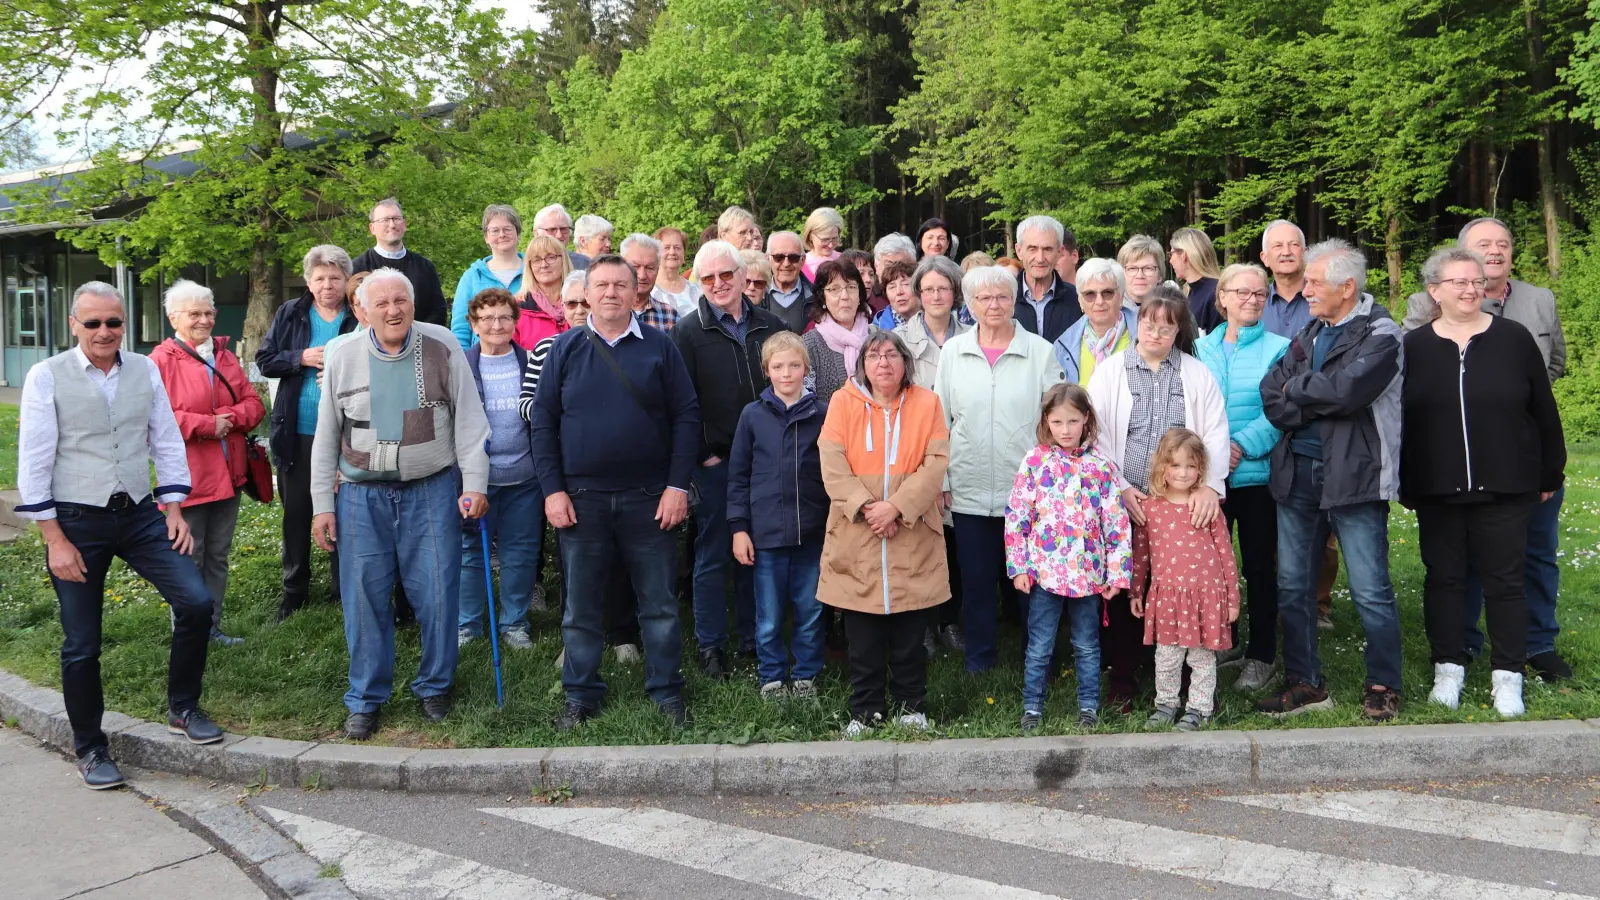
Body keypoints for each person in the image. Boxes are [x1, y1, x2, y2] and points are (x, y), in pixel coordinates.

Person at [17, 281, 226, 789]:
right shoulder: (47, 376)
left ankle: (183, 707)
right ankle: (90, 747)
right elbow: (34, 459)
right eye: (93, 323)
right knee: (82, 642)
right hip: (75, 521)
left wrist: (173, 507)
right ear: (74, 326)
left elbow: (166, 438)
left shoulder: (145, 369)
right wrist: (53, 538)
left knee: (196, 603)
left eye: (113, 322)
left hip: (137, 514)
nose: (105, 331)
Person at [310, 269, 489, 739]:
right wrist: (320, 505)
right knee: (364, 598)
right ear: (362, 310)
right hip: (360, 496)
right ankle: (366, 697)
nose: (393, 310)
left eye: (401, 300)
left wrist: (476, 484)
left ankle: (435, 686)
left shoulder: (443, 344)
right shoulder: (342, 354)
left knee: (437, 592)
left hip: (431, 489)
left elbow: (470, 421)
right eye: (382, 302)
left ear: (413, 303)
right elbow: (327, 435)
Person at [531, 255, 700, 730]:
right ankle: (580, 696)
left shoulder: (660, 348)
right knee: (581, 608)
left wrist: (676, 486)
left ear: (634, 291)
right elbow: (543, 423)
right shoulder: (564, 349)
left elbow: (687, 417)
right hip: (581, 500)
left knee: (660, 605)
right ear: (586, 293)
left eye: (619, 285)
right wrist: (553, 491)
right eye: (601, 285)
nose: (610, 293)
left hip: (650, 497)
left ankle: (667, 693)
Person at [1402, 217, 1571, 681]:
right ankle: (1449, 669)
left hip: (1508, 480)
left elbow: (1543, 409)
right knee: (1446, 578)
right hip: (1439, 484)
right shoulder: (1412, 346)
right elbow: (1405, 420)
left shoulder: (1513, 337)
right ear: (1434, 290)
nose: (1470, 289)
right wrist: (1408, 479)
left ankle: (1510, 673)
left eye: (1476, 282)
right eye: (1459, 282)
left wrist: (1549, 475)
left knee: (1507, 578)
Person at [1259, 239, 1405, 721]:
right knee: (1293, 584)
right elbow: (1269, 392)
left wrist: (1299, 390)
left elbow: (1348, 392)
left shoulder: (1382, 332)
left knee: (1369, 588)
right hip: (1297, 473)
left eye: (1315, 283)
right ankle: (1305, 682)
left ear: (1348, 287)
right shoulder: (1310, 329)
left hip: (1354, 477)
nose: (1305, 290)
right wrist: (1306, 397)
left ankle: (1383, 683)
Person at [1084, 292, 1229, 709]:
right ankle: (1124, 680)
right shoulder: (1111, 372)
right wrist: (1122, 489)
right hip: (1128, 499)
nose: (1156, 333)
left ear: (1178, 330)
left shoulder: (1196, 374)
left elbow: (1215, 432)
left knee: (1183, 588)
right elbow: (1098, 437)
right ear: (1136, 324)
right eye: (1149, 324)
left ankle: (1190, 685)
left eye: (1167, 326)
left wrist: (1207, 487)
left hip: (1183, 505)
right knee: (1130, 585)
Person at [817, 331, 950, 735]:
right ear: (863, 365)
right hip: (858, 533)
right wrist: (868, 508)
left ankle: (912, 706)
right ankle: (865, 710)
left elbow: (936, 461)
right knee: (863, 636)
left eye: (892, 355)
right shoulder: (842, 402)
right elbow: (832, 461)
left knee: (911, 632)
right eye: (874, 355)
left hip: (911, 532)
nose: (883, 363)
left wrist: (898, 507)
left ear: (905, 363)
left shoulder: (927, 403)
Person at [934, 265, 1065, 673]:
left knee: (1031, 586)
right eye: (984, 298)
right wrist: (943, 477)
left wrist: (1048, 485)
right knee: (975, 583)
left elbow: (1053, 423)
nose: (994, 305)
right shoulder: (953, 352)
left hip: (1025, 493)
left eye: (1002, 297)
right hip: (969, 488)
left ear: (1015, 302)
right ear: (969, 305)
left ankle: (1036, 661)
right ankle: (979, 665)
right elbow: (940, 419)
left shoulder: (1039, 352)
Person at [673, 239, 789, 675]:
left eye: (727, 274)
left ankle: (751, 639)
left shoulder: (772, 326)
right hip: (717, 464)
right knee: (713, 555)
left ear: (744, 276)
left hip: (767, 462)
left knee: (755, 552)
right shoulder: (686, 332)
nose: (719, 284)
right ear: (698, 283)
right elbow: (681, 403)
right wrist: (703, 455)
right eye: (708, 278)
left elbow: (788, 385)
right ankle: (710, 646)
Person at [1005, 384, 1131, 732]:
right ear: (1046, 421)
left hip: (1088, 577)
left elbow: (1116, 523)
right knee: (1039, 645)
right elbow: (1017, 517)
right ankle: (1032, 706)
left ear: (1086, 419)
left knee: (1087, 646)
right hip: (1044, 576)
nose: (1065, 430)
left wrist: (1117, 574)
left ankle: (1088, 705)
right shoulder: (1034, 462)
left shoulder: (1101, 467)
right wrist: (1019, 567)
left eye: (1073, 421)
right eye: (1058, 421)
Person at [152, 279, 267, 647]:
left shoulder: (225, 355)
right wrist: (206, 424)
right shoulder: (159, 361)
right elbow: (155, 419)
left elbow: (255, 404)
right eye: (194, 313)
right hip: (188, 479)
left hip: (229, 475)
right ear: (174, 318)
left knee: (217, 556)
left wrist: (228, 419)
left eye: (208, 312)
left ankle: (212, 628)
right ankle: (187, 631)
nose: (203, 320)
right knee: (189, 556)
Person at [1194, 263, 1289, 694]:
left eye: (1259, 294)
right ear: (1223, 298)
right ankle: (1222, 642)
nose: (1252, 300)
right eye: (1243, 292)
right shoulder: (1200, 349)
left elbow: (1283, 409)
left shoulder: (1282, 348)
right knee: (1212, 569)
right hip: (1209, 482)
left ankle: (1262, 653)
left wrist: (1240, 447)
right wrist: (1209, 457)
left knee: (1258, 567)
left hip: (1257, 477)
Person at [257, 245, 358, 620]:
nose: (328, 285)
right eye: (320, 278)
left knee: (344, 510)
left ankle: (341, 589)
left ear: (346, 279)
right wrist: (300, 357)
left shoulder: (357, 313)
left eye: (335, 278)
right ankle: (294, 591)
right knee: (297, 512)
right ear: (308, 281)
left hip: (348, 431)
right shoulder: (291, 313)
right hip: (298, 429)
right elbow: (265, 360)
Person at [728, 332, 829, 699]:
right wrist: (739, 528)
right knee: (768, 616)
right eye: (778, 366)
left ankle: (805, 677)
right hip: (766, 535)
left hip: (812, 533)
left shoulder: (822, 414)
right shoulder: (752, 416)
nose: (786, 373)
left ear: (806, 369)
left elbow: (834, 472)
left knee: (810, 610)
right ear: (766, 371)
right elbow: (738, 476)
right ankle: (772, 677)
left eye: (794, 365)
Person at [1130, 429, 1241, 731]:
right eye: (1175, 465)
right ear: (1161, 467)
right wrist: (1135, 591)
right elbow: (1141, 555)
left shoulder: (1207, 506)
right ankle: (1166, 704)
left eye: (1190, 466)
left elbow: (1227, 556)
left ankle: (1199, 709)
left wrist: (1232, 599)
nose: (1182, 472)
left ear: (1200, 469)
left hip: (1206, 597)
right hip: (1167, 598)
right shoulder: (1150, 508)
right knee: (1166, 657)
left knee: (1203, 660)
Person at [458, 288, 543, 651]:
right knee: (470, 552)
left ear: (515, 321)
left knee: (520, 552)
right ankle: (467, 625)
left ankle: (514, 624)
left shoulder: (531, 363)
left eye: (504, 317)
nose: (496, 324)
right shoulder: (460, 365)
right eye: (487, 318)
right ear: (474, 325)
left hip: (524, 478)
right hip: (476, 481)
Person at [896, 254, 971, 653]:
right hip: (915, 458)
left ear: (955, 293)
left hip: (962, 455)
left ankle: (948, 621)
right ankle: (920, 625)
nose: (937, 295)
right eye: (929, 289)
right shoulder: (899, 341)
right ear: (918, 294)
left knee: (954, 547)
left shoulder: (972, 336)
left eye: (944, 288)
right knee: (918, 544)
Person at [351, 197, 448, 327]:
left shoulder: (425, 266)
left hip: (421, 341)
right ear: (372, 228)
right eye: (384, 220)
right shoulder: (358, 267)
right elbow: (354, 313)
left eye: (396, 219)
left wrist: (417, 335)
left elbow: (438, 310)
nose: (392, 224)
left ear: (404, 224)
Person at [1052, 258, 1137, 385]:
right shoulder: (1062, 346)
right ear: (1080, 301)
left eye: (1107, 293)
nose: (1099, 301)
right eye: (1090, 294)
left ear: (1120, 296)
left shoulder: (1144, 335)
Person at [451, 205, 525, 349]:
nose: (502, 234)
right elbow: (460, 327)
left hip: (528, 357)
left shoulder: (534, 270)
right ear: (486, 237)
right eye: (495, 231)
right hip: (482, 360)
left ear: (518, 233)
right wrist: (466, 364)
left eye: (508, 229)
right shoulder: (472, 276)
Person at [803, 258, 874, 405]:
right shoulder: (808, 345)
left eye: (851, 287)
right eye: (834, 289)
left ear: (860, 295)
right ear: (823, 298)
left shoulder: (877, 338)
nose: (844, 296)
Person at [1013, 215, 1082, 343]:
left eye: (1047, 249)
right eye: (1032, 249)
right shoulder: (1003, 299)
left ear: (1059, 252)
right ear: (1019, 251)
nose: (1040, 258)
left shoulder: (1078, 299)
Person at [513, 234, 572, 350]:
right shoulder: (516, 308)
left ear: (563, 260)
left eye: (551, 257)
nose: (544, 265)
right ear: (529, 266)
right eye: (536, 260)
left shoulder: (582, 301)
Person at [1259, 219, 1311, 338]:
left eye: (1294, 245)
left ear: (1305, 253)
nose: (1286, 252)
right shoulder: (1255, 303)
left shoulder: (1324, 298)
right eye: (1278, 246)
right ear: (1265, 258)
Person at [1169, 227, 1223, 334]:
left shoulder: (1215, 295)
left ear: (1184, 255)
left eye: (1171, 254)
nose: (1170, 260)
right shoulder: (1189, 292)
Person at [620, 233, 679, 332]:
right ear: (620, 266)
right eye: (635, 267)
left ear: (658, 269)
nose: (642, 276)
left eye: (650, 268)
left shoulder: (670, 316)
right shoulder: (605, 310)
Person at [761, 230, 815, 333]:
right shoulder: (755, 295)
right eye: (779, 257)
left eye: (793, 257)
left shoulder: (818, 297)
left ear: (802, 260)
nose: (786, 263)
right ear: (768, 259)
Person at [653, 226, 702, 316]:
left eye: (677, 248)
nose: (672, 252)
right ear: (656, 254)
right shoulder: (648, 290)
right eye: (667, 247)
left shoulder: (698, 291)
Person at [1117, 235, 1166, 309]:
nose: (1140, 276)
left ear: (1159, 276)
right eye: (1132, 268)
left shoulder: (1174, 312)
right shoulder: (1110, 314)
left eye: (1148, 268)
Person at [534, 203, 587, 271]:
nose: (559, 235)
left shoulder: (584, 264)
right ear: (536, 234)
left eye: (563, 229)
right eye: (552, 229)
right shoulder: (525, 265)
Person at [873, 234, 917, 312]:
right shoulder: (866, 296)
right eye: (889, 265)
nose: (895, 270)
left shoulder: (927, 296)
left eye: (901, 264)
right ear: (876, 267)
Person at [871, 259, 919, 331]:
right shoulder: (876, 329)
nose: (899, 292)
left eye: (905, 284)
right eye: (892, 287)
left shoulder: (936, 320)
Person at [801, 207, 844, 282]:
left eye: (834, 238)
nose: (830, 245)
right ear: (811, 236)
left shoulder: (845, 260)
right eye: (825, 239)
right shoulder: (801, 264)